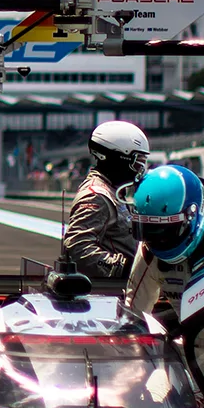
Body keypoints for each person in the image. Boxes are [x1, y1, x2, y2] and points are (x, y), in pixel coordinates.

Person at [122, 165, 204, 318]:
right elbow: (134, 314)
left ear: (193, 216)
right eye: (148, 230)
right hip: (189, 336)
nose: (158, 239)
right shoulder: (148, 248)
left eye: (166, 231)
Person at [59, 118, 150, 286]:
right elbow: (78, 246)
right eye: (137, 161)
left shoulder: (113, 191)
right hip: (110, 293)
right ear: (118, 158)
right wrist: (124, 268)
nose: (141, 169)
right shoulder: (97, 195)